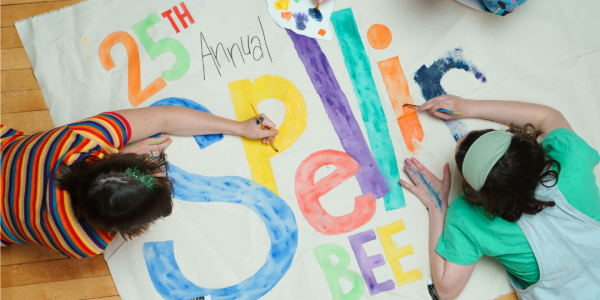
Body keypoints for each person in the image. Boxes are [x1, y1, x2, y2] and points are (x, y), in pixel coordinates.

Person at [1, 106, 279, 258]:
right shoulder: (85, 244)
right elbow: (164, 118)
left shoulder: (81, 139)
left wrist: (239, 127)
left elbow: (163, 116)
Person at [399, 94, 600, 299]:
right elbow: (549, 116)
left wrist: (437, 207)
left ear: (476, 192)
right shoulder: (572, 160)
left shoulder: (469, 217)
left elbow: (445, 290)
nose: (460, 139)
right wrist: (468, 106)